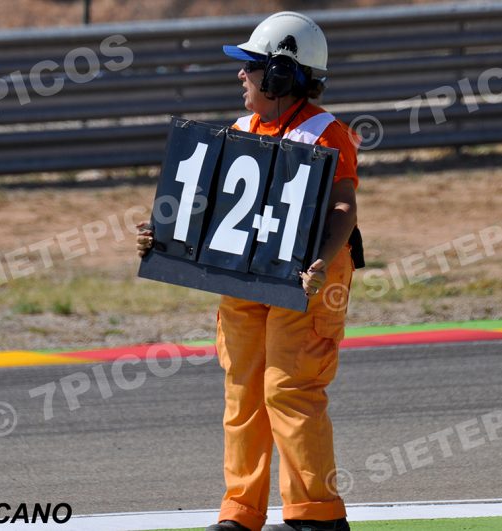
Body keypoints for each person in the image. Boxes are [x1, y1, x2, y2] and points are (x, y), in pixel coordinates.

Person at [137, 11, 361, 531]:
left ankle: (317, 516)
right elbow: (208, 208)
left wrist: (323, 263)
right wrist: (160, 235)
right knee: (243, 391)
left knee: (289, 389)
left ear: (282, 76)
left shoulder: (328, 133)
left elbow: (344, 208)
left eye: (252, 67)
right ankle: (240, 513)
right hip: (243, 277)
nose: (242, 75)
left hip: (307, 278)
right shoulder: (238, 131)